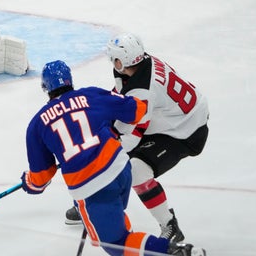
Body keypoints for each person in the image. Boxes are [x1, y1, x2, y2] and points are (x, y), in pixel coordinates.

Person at [21, 60, 206, 256]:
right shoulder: (91, 94)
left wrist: (28, 182)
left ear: (45, 87)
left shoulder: (37, 124)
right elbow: (137, 110)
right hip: (121, 170)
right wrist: (103, 121)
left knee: (116, 243)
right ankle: (101, 219)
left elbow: (40, 179)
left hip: (92, 188)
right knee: (114, 218)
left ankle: (176, 252)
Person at [64, 33, 209, 244]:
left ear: (123, 60)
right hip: (170, 116)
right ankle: (91, 201)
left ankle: (169, 225)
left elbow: (131, 137)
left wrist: (101, 147)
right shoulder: (138, 64)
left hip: (185, 131)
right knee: (110, 142)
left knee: (136, 170)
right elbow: (121, 99)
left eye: (114, 58)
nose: (112, 62)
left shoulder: (143, 91)